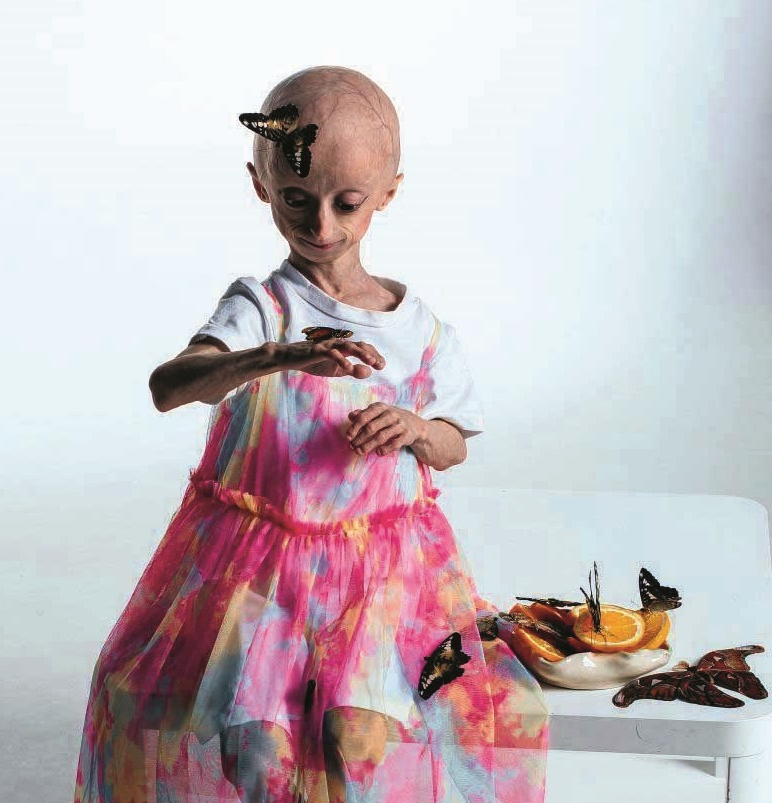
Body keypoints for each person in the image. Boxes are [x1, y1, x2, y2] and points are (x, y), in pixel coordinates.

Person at [73, 65, 549, 803]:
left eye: (346, 203)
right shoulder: (263, 306)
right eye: (296, 199)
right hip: (259, 572)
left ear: (387, 192)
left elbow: (454, 442)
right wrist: (279, 356)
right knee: (257, 750)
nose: (321, 226)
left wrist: (415, 428)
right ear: (261, 185)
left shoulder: (420, 330)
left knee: (360, 740)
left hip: (384, 575)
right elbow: (170, 386)